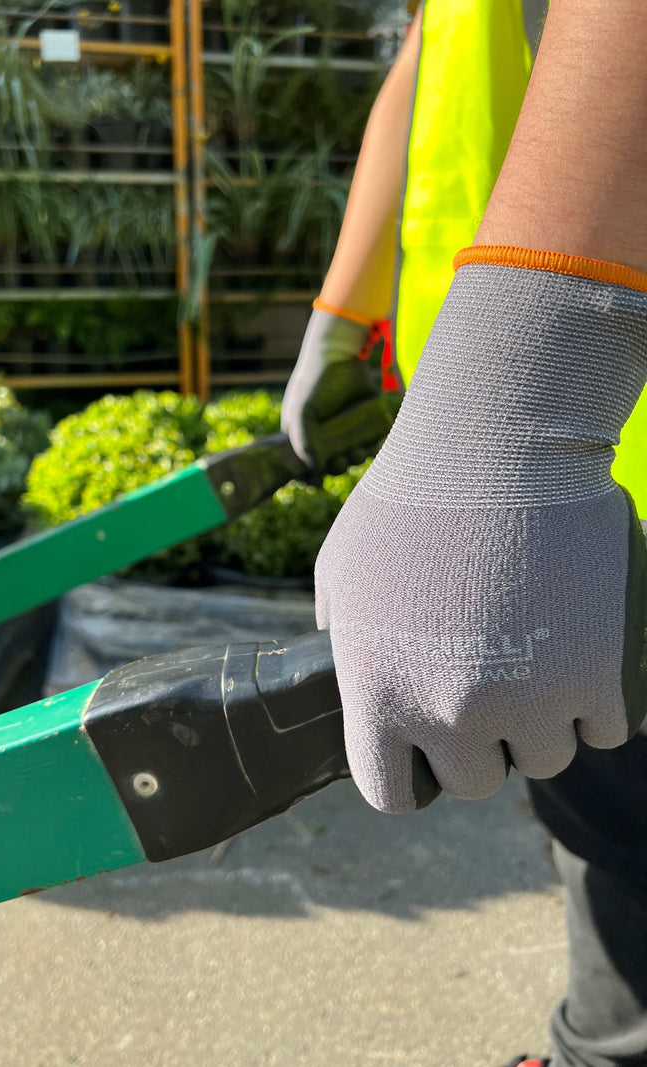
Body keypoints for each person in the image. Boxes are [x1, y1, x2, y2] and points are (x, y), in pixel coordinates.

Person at [282, 2, 647, 1065]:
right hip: (545, 443)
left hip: (575, 414)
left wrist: (524, 377)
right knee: (596, 813)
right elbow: (432, 53)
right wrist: (339, 316)